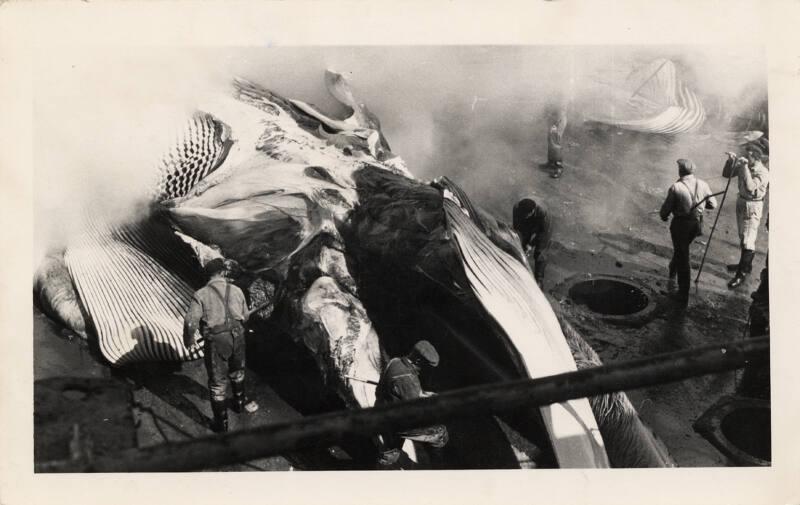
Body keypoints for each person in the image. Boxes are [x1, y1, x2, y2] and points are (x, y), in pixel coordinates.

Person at [184, 258, 258, 433]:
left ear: (208, 275)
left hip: (217, 340)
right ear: (223, 273)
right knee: (238, 372)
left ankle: (221, 425)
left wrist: (189, 340)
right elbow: (245, 316)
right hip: (238, 336)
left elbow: (190, 322)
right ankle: (239, 404)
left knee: (217, 384)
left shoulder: (201, 294)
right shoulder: (237, 290)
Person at [374, 340, 449, 468]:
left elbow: (387, 390)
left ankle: (386, 460)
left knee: (392, 446)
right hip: (397, 421)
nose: (426, 369)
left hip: (382, 410)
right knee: (440, 434)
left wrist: (422, 394)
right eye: (426, 365)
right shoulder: (408, 379)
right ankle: (438, 468)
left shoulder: (395, 361)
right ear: (418, 361)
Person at [659, 159, 718, 305]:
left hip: (681, 225)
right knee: (682, 249)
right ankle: (672, 270)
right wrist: (699, 209)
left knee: (683, 257)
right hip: (696, 225)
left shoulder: (676, 187)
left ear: (680, 171)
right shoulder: (703, 184)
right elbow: (713, 204)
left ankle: (683, 294)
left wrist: (664, 216)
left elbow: (665, 210)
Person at [723, 145, 769, 289]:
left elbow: (750, 187)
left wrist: (743, 167)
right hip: (742, 202)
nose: (745, 158)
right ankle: (745, 265)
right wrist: (730, 161)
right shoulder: (747, 165)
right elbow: (727, 174)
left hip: (753, 206)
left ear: (756, 158)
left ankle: (741, 275)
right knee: (743, 236)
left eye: (748, 156)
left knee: (748, 240)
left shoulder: (763, 172)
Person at [512, 198, 552, 287]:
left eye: (527, 214)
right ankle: (519, 270)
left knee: (540, 252)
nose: (525, 216)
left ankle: (539, 280)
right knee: (521, 244)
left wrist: (531, 244)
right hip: (527, 221)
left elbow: (542, 233)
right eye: (523, 214)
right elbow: (517, 228)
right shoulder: (516, 209)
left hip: (541, 222)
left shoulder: (543, 213)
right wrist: (521, 242)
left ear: (533, 211)